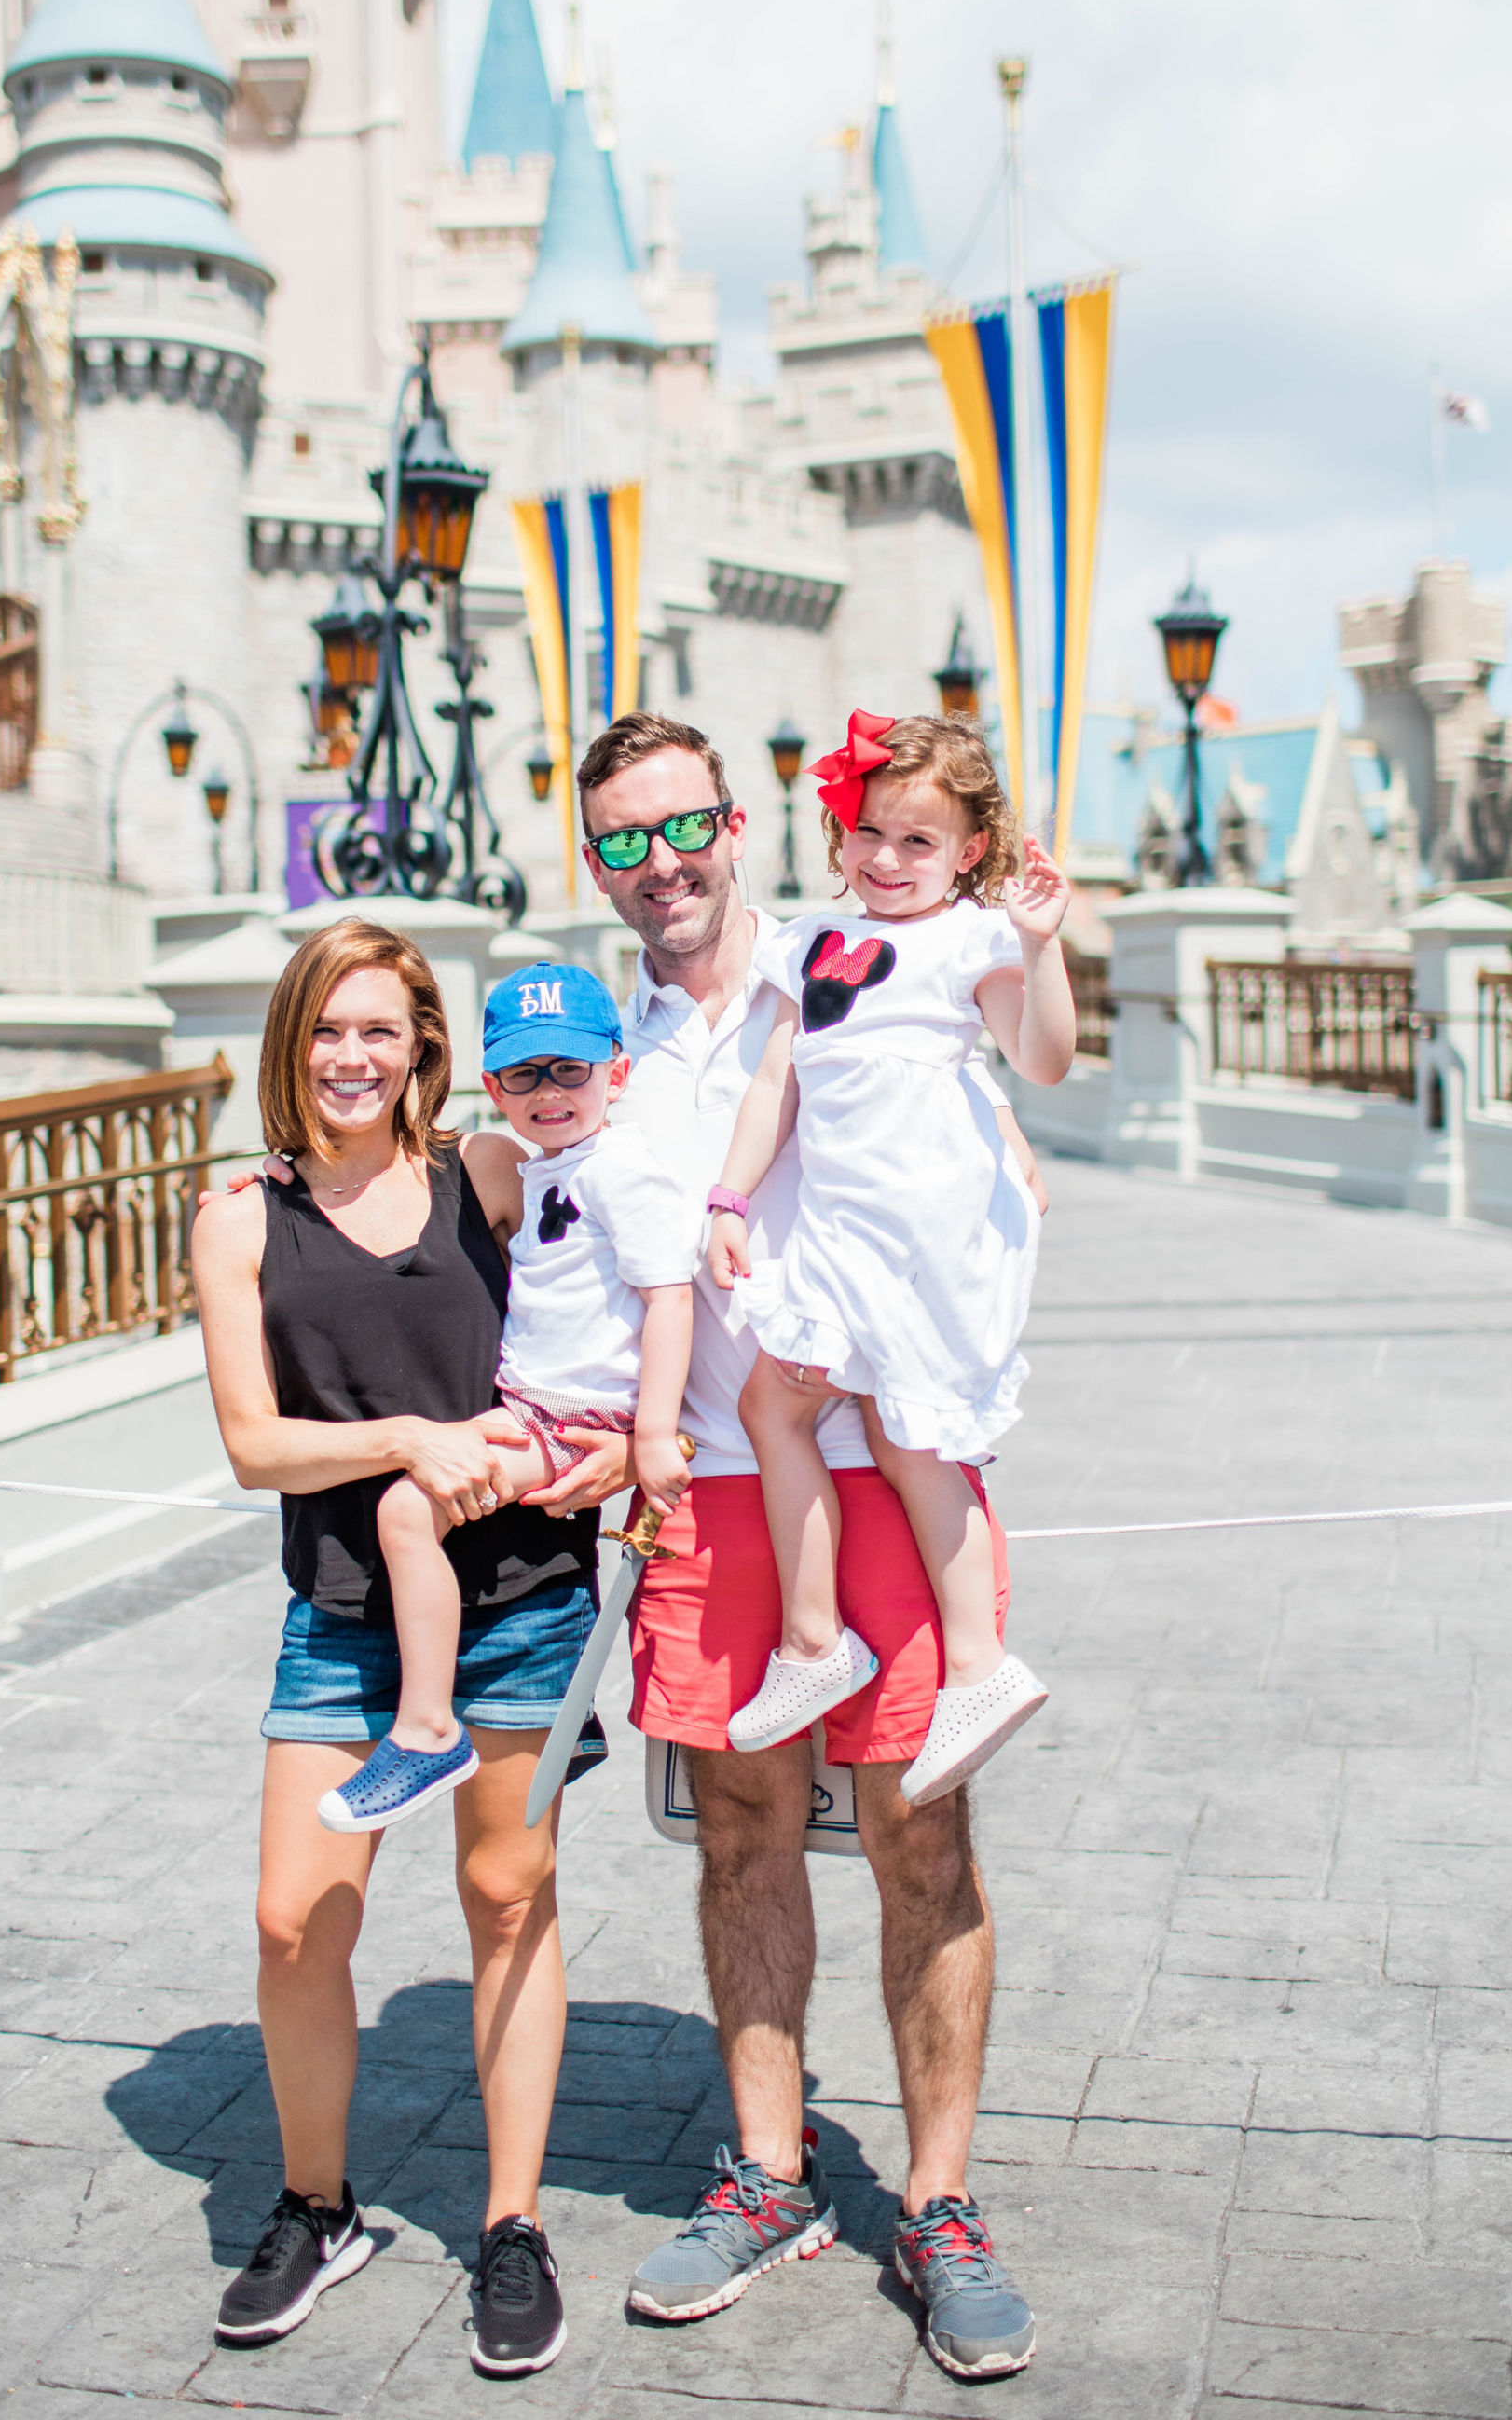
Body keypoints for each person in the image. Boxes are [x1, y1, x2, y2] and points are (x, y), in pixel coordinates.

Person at [532, 708, 1043, 2384]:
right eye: (619, 840)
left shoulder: (858, 957)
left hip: (880, 1459)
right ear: (589, 857)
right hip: (710, 1484)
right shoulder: (581, 1047)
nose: (657, 863)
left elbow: (1005, 1118)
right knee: (739, 1825)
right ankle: (768, 2174)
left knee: (919, 1827)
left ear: (737, 824)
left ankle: (939, 2200)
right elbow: (537, 1240)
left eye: (680, 828)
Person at [190, 918, 629, 2381]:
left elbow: (614, 1293)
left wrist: (624, 1440)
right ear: (290, 1043)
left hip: (522, 1598)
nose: (353, 1057)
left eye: (382, 1029)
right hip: (341, 1611)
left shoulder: (487, 1174)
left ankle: (513, 2224)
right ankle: (319, 2205)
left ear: (425, 1045)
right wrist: (408, 1443)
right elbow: (254, 1446)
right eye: (328, 1028)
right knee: (290, 1920)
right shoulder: (241, 1213)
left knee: (507, 1898)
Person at [705, 708, 1073, 1803]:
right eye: (868, 832)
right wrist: (728, 1196)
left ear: (969, 851)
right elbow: (779, 1081)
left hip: (921, 1230)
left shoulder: (972, 938)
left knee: (895, 1427)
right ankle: (853, 1649)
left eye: (919, 841)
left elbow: (1040, 1060)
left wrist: (1042, 946)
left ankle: (912, 1655)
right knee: (805, 1415)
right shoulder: (808, 943)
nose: (886, 857)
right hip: (843, 1229)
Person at [315, 957, 699, 1836]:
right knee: (431, 1478)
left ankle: (426, 1730)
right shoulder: (541, 1169)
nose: (550, 1090)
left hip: (575, 1415)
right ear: (494, 1083)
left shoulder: (621, 1170)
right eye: (526, 1073)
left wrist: (652, 1436)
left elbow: (669, 1298)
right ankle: (562, 1718)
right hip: (533, 1401)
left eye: (572, 1069)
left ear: (618, 1071)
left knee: (410, 1512)